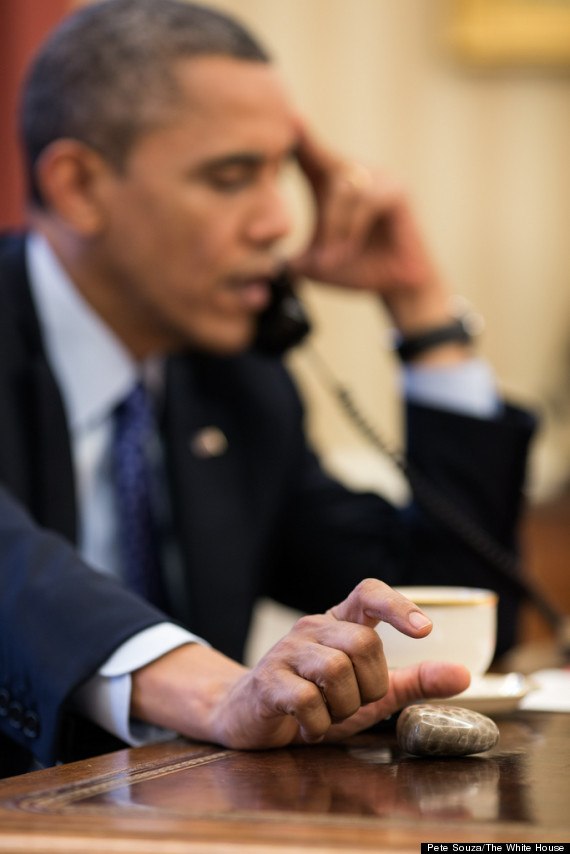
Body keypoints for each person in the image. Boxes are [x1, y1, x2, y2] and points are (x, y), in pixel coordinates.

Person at [0, 0, 534, 777]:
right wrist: (211, 689)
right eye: (230, 177)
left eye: (279, 174)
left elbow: (441, 617)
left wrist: (424, 317)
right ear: (79, 186)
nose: (279, 222)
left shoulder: (238, 382)